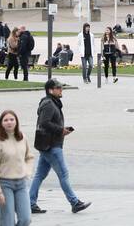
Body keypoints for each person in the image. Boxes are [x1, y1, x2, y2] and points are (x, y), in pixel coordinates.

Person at [30, 80, 91, 214]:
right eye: (58, 88)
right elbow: (44, 123)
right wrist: (60, 130)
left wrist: (61, 130)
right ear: (50, 90)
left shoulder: (51, 103)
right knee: (63, 174)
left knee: (40, 175)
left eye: (61, 88)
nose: (61, 90)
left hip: (48, 144)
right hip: (51, 145)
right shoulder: (49, 104)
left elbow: (47, 123)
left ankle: (30, 203)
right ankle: (74, 202)